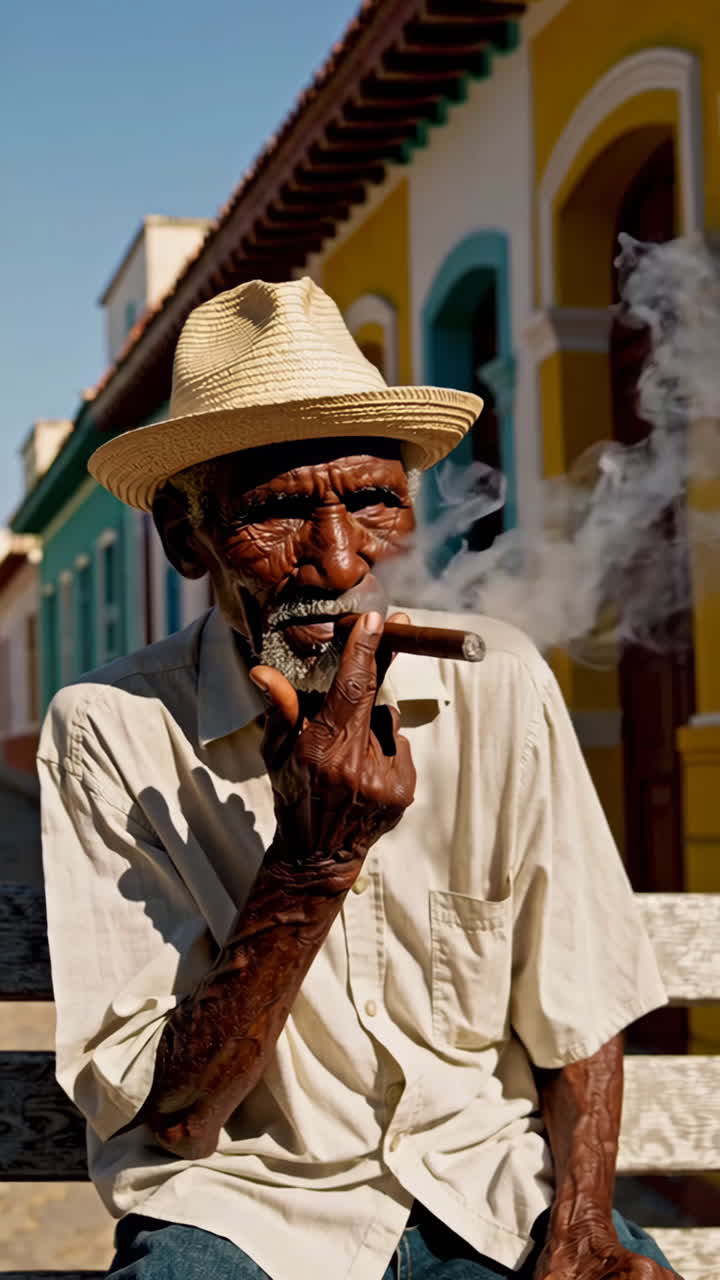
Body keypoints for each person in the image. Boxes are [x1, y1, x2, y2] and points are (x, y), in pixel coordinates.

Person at [39, 278, 676, 1280]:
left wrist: (587, 1217)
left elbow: (578, 991)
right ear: (184, 532)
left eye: (372, 501)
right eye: (278, 514)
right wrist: (311, 859)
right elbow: (172, 1117)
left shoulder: (498, 678)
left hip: (486, 1190)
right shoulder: (109, 728)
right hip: (244, 1208)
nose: (338, 563)